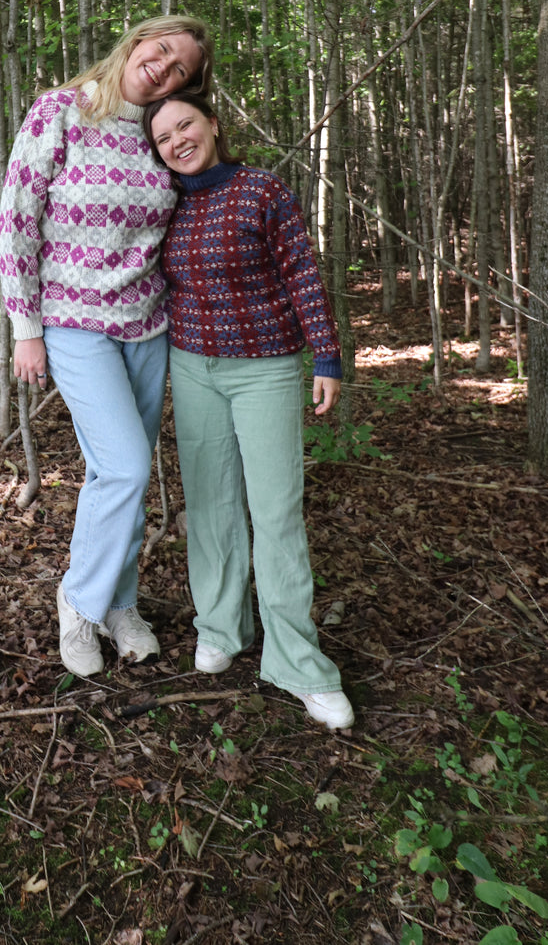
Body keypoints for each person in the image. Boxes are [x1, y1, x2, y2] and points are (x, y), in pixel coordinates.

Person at [0, 16, 215, 678]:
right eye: (164, 52)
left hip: (149, 325)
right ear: (140, 39)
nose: (166, 69)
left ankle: (121, 604)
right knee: (125, 466)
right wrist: (25, 329)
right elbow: (16, 219)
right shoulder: (61, 111)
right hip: (74, 322)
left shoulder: (160, 131)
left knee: (118, 475)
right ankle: (79, 601)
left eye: (182, 70)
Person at [144, 92, 354, 729]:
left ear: (212, 125)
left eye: (186, 125)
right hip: (192, 367)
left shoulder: (262, 189)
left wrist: (326, 355)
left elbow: (301, 272)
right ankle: (220, 626)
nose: (178, 140)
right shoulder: (166, 204)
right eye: (164, 137)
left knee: (276, 511)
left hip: (265, 367)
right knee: (209, 506)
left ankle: (296, 660)